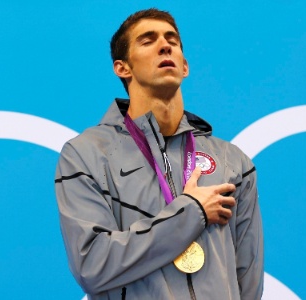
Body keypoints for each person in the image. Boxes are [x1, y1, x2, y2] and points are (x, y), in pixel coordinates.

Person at [55, 8, 263, 299]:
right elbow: (93, 265)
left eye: (172, 40)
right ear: (122, 68)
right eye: (147, 40)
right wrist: (192, 211)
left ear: (185, 66)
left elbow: (248, 280)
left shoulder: (232, 162)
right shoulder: (86, 155)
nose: (165, 45)